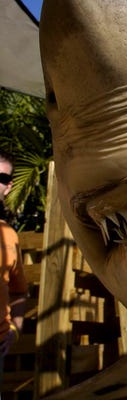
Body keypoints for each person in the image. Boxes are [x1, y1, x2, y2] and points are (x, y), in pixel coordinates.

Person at [0, 149, 28, 389]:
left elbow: (19, 292)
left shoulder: (9, 235)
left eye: (1, 178)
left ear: (8, 187)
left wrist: (14, 330)